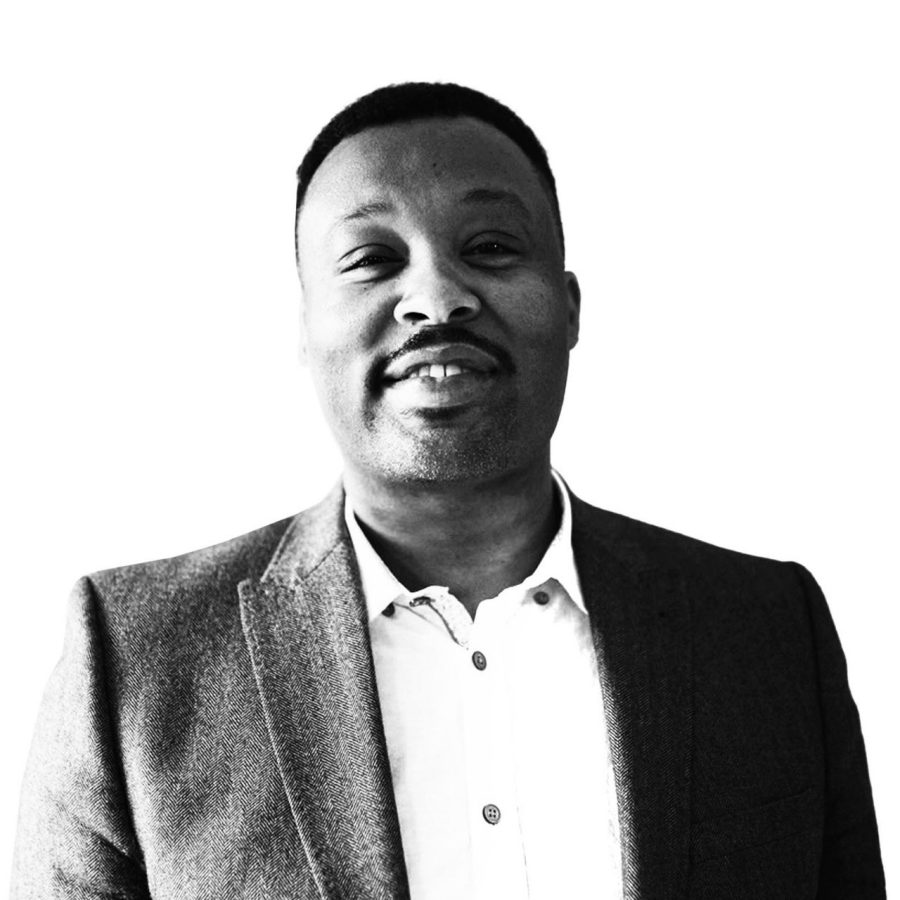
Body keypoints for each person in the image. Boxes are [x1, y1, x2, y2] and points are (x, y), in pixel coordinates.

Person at [12, 82, 885, 899]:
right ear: (305, 329)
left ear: (571, 307)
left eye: (490, 248)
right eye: (371, 259)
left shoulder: (767, 629)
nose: (435, 298)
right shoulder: (133, 660)